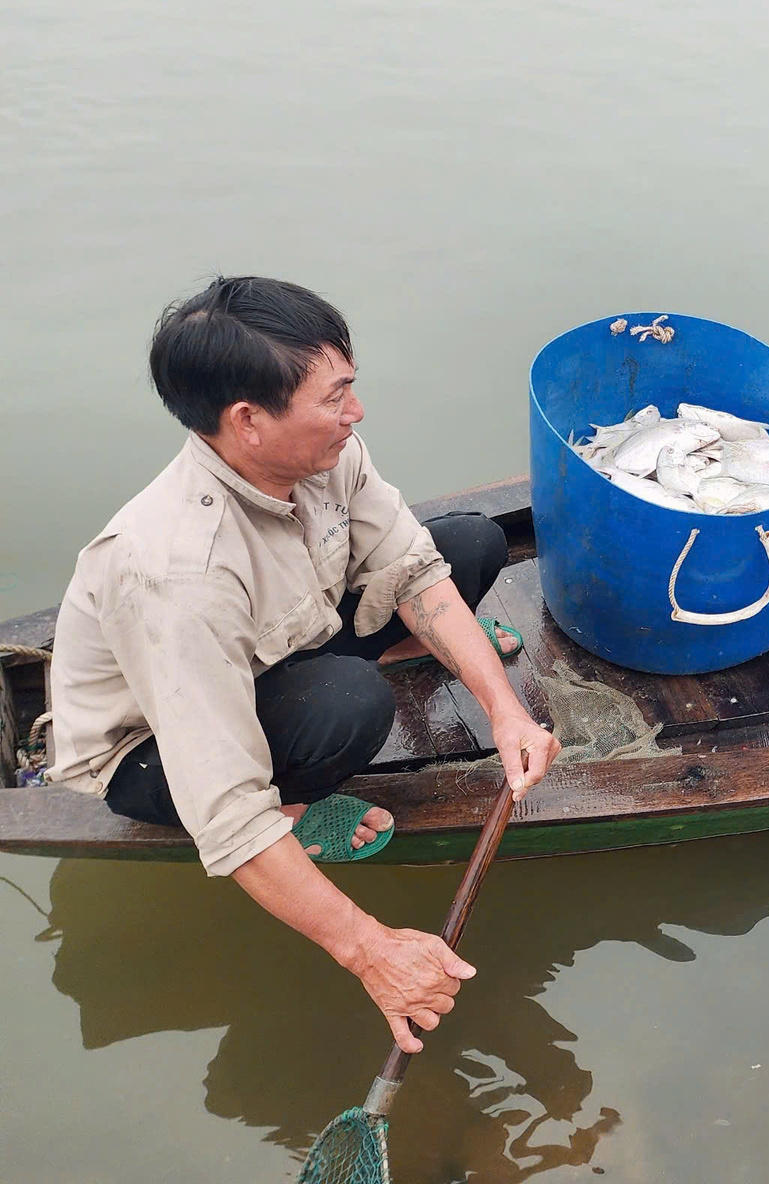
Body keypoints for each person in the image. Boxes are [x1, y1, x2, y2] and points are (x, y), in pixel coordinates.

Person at [46, 276, 562, 1054]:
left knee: (469, 546)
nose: (355, 413)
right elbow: (225, 811)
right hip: (151, 751)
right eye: (335, 397)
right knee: (350, 702)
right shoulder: (175, 576)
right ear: (247, 421)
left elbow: (414, 567)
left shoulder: (324, 451)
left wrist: (505, 710)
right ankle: (296, 809)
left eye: (349, 388)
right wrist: (374, 951)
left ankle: (407, 649)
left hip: (284, 640)